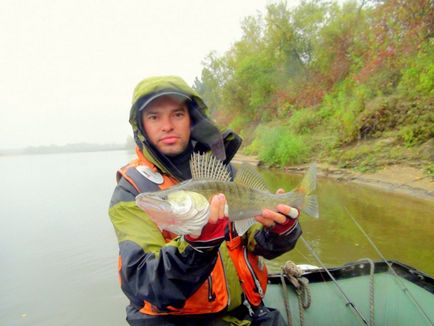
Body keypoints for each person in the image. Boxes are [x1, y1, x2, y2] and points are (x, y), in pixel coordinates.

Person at [109, 76, 302, 325]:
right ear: (142, 126)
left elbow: (256, 244)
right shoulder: (132, 192)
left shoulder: (225, 174)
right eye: (154, 116)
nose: (167, 125)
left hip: (242, 314)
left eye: (177, 114)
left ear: (192, 119)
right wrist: (196, 247)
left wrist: (280, 231)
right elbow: (144, 283)